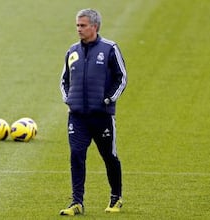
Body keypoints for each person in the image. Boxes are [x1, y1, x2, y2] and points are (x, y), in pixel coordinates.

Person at [59, 8, 127, 216]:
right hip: (77, 116)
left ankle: (116, 197)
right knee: (77, 155)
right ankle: (76, 202)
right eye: (77, 25)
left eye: (83, 25)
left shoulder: (109, 49)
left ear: (94, 27)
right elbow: (64, 80)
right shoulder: (72, 51)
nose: (78, 29)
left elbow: (121, 78)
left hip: (102, 116)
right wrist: (68, 99)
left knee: (109, 156)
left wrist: (108, 99)